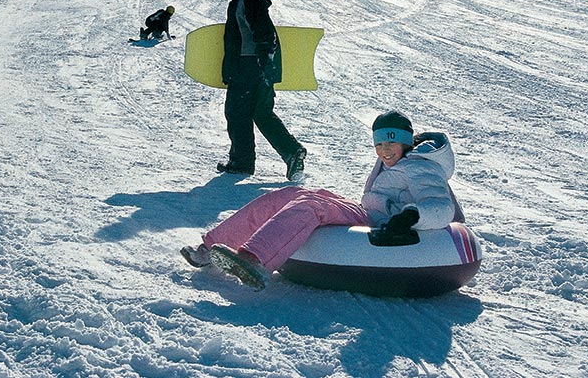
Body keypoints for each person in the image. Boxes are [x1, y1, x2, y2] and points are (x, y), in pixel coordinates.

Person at [181, 110, 462, 290]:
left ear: (406, 142)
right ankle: (209, 248)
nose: (384, 151)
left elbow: (441, 206)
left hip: (386, 225)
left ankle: (255, 261)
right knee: (291, 194)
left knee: (312, 207)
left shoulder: (421, 167)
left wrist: (412, 216)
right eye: (379, 145)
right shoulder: (398, 162)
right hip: (369, 215)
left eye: (390, 143)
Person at [217, 0, 306, 181]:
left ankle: (241, 162)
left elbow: (264, 34)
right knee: (261, 113)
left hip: (250, 65)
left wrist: (263, 65)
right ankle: (292, 152)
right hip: (256, 66)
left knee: (237, 113)